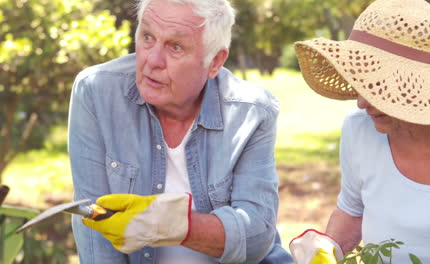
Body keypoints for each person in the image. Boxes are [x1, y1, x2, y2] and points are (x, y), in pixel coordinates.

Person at [67, 0, 293, 263]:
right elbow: (95, 236)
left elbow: (256, 237)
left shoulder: (251, 111)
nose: (152, 60)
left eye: (175, 47)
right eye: (147, 37)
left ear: (215, 62)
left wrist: (166, 223)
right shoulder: (95, 91)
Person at [288, 0, 430, 263]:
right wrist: (327, 251)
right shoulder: (358, 129)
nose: (362, 101)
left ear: (421, 85)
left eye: (380, 85)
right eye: (362, 80)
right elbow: (352, 212)